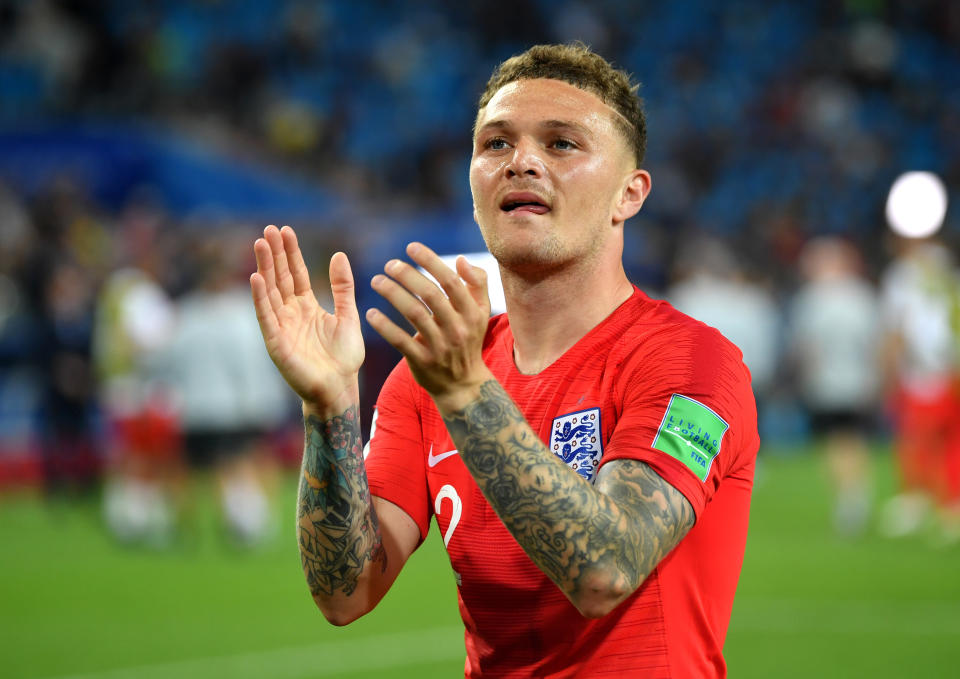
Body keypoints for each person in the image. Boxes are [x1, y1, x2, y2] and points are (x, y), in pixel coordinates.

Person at [251, 44, 759, 678]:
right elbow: (345, 591)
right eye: (495, 144)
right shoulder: (427, 376)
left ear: (628, 195)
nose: (521, 161)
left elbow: (606, 569)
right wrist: (328, 409)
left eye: (562, 144)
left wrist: (467, 393)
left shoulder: (691, 362)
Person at [787, 237, 881, 536]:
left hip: (826, 381)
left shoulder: (812, 298)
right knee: (854, 439)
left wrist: (802, 377)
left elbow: (805, 345)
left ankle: (848, 497)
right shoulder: (863, 295)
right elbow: (875, 342)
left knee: (834, 442)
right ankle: (857, 491)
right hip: (859, 379)